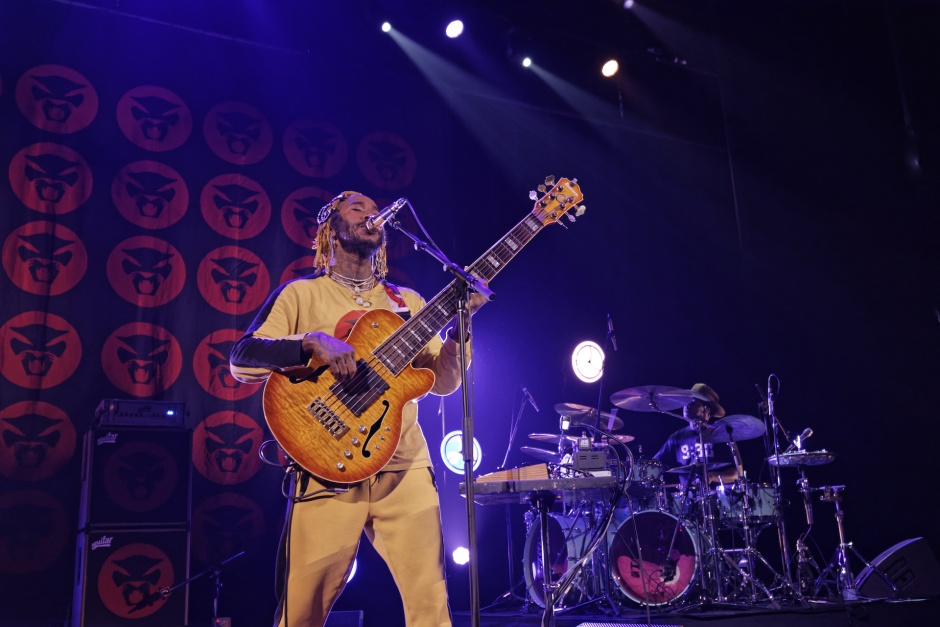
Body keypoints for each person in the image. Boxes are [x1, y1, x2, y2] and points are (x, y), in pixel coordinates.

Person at [229, 191, 487, 627]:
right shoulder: (300, 294)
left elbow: (443, 383)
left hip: (404, 466)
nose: (372, 214)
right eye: (357, 208)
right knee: (301, 612)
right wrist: (312, 342)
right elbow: (242, 359)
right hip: (326, 466)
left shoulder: (407, 302)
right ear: (330, 229)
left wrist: (461, 329)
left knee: (431, 605)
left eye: (374, 209)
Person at [652, 383, 741, 486]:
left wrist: (712, 477)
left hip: (718, 495)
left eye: (693, 401)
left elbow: (738, 474)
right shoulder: (676, 438)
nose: (687, 404)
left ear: (706, 409)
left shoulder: (722, 435)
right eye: (686, 400)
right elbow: (655, 465)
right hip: (687, 495)